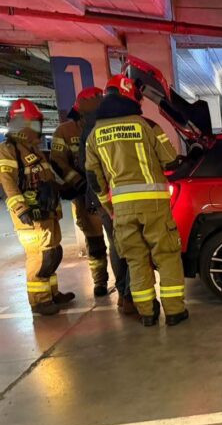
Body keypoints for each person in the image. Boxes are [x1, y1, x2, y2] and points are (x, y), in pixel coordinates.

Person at [85, 75, 188, 327]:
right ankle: (174, 311)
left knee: (136, 259)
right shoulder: (147, 126)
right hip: (154, 206)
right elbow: (170, 160)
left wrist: (109, 207)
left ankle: (147, 313)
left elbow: (94, 177)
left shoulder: (94, 135)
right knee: (166, 256)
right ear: (131, 96)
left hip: (121, 209)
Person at [0, 99, 75, 315]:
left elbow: (46, 177)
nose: (38, 129)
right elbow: (7, 181)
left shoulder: (32, 149)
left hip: (46, 211)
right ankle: (40, 301)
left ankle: (52, 293)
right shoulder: (8, 150)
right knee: (41, 256)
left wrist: (63, 189)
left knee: (53, 252)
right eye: (34, 124)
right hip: (31, 214)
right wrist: (21, 209)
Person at [77, 91, 136, 315]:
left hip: (102, 199)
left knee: (116, 245)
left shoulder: (88, 131)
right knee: (133, 245)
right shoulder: (125, 124)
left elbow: (86, 167)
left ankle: (122, 294)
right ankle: (130, 296)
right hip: (122, 197)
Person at [51, 87, 109, 298]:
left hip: (108, 192)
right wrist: (78, 181)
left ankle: (125, 287)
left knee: (121, 239)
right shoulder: (65, 132)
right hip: (84, 195)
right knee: (95, 241)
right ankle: (100, 281)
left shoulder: (107, 125)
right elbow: (57, 161)